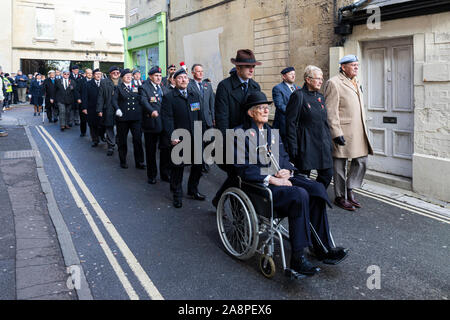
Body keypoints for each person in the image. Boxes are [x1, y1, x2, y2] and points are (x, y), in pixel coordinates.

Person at [233, 91, 348, 276]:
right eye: (260, 108)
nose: (265, 110)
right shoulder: (240, 134)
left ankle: (322, 246)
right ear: (250, 113)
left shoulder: (271, 132)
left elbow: (284, 157)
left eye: (266, 107)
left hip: (282, 176)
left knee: (317, 189)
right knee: (299, 195)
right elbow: (243, 169)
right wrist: (273, 179)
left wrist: (288, 170)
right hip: (262, 186)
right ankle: (297, 258)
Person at [213, 49, 262, 207]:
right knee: (237, 176)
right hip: (231, 140)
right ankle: (238, 217)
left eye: (253, 66)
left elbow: (258, 114)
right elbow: (222, 119)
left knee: (243, 177)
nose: (251, 70)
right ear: (238, 68)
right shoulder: (224, 86)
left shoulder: (255, 86)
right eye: (248, 67)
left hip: (250, 140)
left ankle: (218, 201)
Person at [324, 55, 373, 211]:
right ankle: (340, 196)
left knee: (362, 160)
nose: (356, 67)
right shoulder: (334, 83)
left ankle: (350, 188)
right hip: (343, 131)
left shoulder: (356, 81)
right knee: (339, 165)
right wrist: (336, 132)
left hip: (359, 130)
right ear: (343, 67)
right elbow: (330, 111)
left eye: (357, 65)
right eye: (353, 65)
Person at [161, 68, 204, 208]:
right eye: (180, 78)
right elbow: (167, 119)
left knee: (198, 165)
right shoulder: (169, 97)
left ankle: (193, 189)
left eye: (185, 77)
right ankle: (177, 194)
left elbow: (199, 116)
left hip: (195, 137)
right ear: (174, 81)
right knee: (178, 168)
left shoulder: (194, 95)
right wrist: (172, 135)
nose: (183, 80)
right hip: (179, 138)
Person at [285, 66, 333, 189]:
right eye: (318, 78)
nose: (321, 81)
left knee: (327, 175)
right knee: (303, 178)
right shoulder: (298, 96)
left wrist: (329, 142)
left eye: (322, 79)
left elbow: (324, 122)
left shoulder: (320, 97)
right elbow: (290, 123)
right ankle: (305, 202)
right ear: (308, 79)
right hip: (305, 143)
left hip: (322, 143)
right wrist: (293, 146)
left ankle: (316, 198)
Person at [140, 66, 171, 184]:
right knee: (151, 151)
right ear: (150, 76)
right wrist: (151, 111)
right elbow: (143, 101)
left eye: (159, 76)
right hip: (151, 124)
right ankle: (152, 175)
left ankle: (165, 173)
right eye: (156, 76)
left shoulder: (163, 87)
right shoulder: (144, 87)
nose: (158, 78)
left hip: (164, 124)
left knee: (165, 150)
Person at [112, 68, 145, 169]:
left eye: (130, 75)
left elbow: (141, 99)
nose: (129, 77)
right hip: (123, 118)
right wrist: (117, 109)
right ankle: (123, 160)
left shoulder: (137, 86)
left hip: (136, 117)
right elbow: (114, 100)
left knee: (137, 140)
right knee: (122, 140)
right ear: (122, 78)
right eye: (126, 76)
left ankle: (139, 162)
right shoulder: (118, 88)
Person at [188, 63, 215, 173]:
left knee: (209, 141)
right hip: (196, 120)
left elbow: (211, 103)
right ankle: (199, 164)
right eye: (198, 71)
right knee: (198, 143)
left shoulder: (207, 85)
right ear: (193, 73)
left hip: (207, 119)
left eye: (202, 71)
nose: (200, 73)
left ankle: (205, 160)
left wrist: (213, 117)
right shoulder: (189, 86)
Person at [97, 66, 121, 156]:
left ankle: (119, 142)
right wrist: (99, 109)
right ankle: (111, 146)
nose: (116, 74)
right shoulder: (104, 82)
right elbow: (101, 97)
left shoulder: (122, 81)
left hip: (120, 108)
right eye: (114, 72)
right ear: (110, 74)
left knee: (121, 128)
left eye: (117, 73)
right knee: (109, 127)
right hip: (108, 108)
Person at [272, 67, 299, 144]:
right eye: (291, 74)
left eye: (294, 74)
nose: (293, 76)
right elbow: (280, 105)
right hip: (284, 124)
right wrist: (294, 113)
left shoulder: (298, 88)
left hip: (296, 125)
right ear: (284, 76)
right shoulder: (278, 88)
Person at [82, 69, 103, 147]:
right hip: (91, 108)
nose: (98, 76)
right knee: (92, 125)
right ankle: (95, 140)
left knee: (101, 124)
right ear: (93, 75)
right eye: (97, 74)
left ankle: (101, 136)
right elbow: (84, 97)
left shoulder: (104, 83)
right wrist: (84, 108)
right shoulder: (87, 84)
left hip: (102, 108)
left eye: (99, 74)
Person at [78, 68, 92, 137]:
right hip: (83, 102)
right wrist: (78, 98)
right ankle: (83, 132)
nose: (90, 74)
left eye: (91, 73)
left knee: (92, 120)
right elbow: (77, 91)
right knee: (83, 119)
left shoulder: (94, 81)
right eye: (88, 73)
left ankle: (94, 134)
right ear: (85, 74)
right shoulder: (81, 81)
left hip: (91, 103)